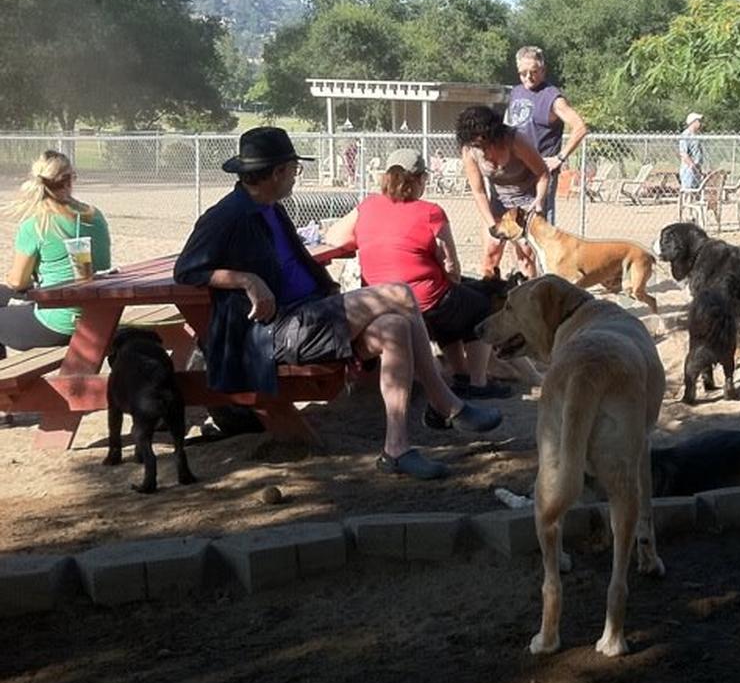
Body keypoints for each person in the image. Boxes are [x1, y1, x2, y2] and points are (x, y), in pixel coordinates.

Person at [174, 127, 502, 481]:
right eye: (294, 170)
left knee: (396, 327)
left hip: (311, 314)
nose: (296, 177)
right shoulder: (228, 215)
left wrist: (323, 286)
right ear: (277, 172)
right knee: (399, 293)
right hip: (276, 331)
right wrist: (245, 279)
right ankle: (445, 403)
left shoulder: (270, 208)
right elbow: (187, 269)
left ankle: (396, 449)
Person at [322, 148, 510, 401]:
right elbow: (452, 268)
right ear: (421, 179)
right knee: (478, 305)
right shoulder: (431, 212)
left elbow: (333, 236)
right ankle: (478, 382)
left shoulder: (367, 206)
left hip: (379, 300)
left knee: (455, 302)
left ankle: (461, 373)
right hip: (424, 301)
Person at [0, 151, 111, 358]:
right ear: (69, 181)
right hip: (98, 314)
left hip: (60, 323)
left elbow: (17, 281)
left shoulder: (35, 225)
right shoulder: (95, 216)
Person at [456, 105, 551, 278]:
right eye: (476, 145)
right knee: (491, 253)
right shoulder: (470, 150)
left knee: (525, 256)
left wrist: (539, 201)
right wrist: (492, 225)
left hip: (526, 202)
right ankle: (490, 292)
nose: (482, 149)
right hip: (498, 202)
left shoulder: (515, 141)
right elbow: (479, 192)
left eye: (484, 143)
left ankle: (527, 290)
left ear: (493, 134)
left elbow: (543, 173)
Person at [504, 46, 589, 224]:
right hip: (516, 170)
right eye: (523, 73)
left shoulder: (552, 97)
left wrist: (560, 158)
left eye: (533, 72)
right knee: (514, 225)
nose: (528, 77)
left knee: (539, 224)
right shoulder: (516, 92)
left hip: (539, 172)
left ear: (543, 70)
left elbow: (580, 127)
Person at [679, 112, 706, 191]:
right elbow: (683, 153)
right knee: (688, 191)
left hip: (697, 168)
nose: (700, 123)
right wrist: (692, 166)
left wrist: (698, 169)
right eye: (698, 121)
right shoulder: (686, 135)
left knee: (696, 191)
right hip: (689, 169)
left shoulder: (697, 135)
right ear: (693, 122)